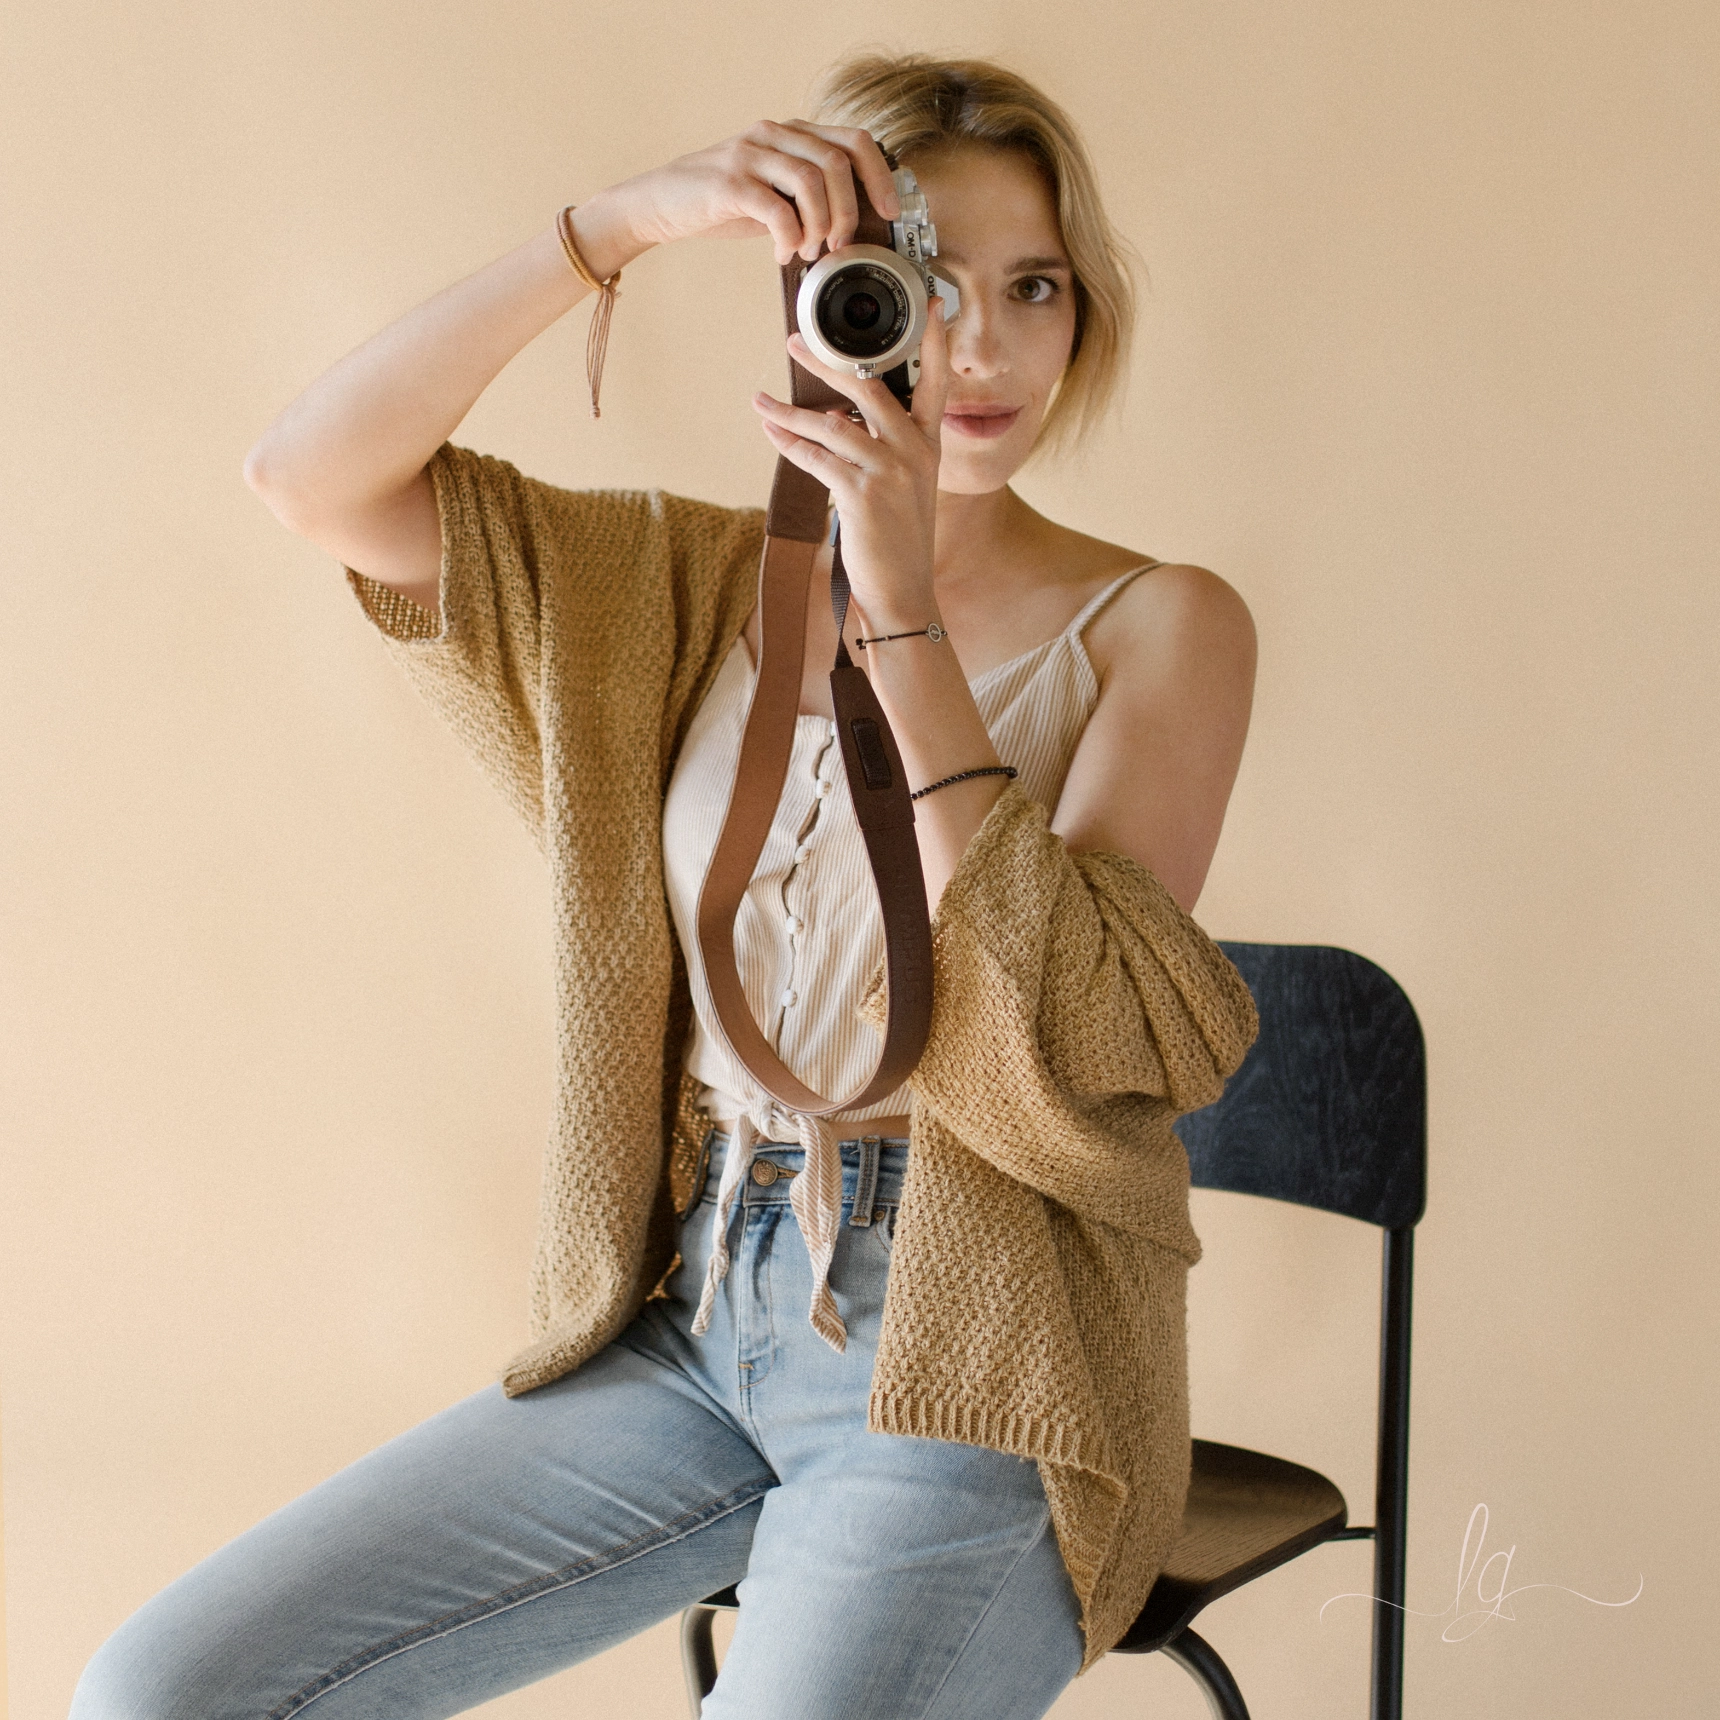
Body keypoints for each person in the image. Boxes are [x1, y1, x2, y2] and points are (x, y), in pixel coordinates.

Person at [72, 52, 1259, 1720]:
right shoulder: (690, 588)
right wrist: (619, 226)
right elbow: (312, 477)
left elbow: (1090, 1037)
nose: (983, 347)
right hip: (698, 1310)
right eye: (925, 286)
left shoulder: (1163, 624)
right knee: (162, 1690)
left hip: (988, 1359)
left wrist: (902, 614)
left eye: (1035, 288)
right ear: (825, 301)